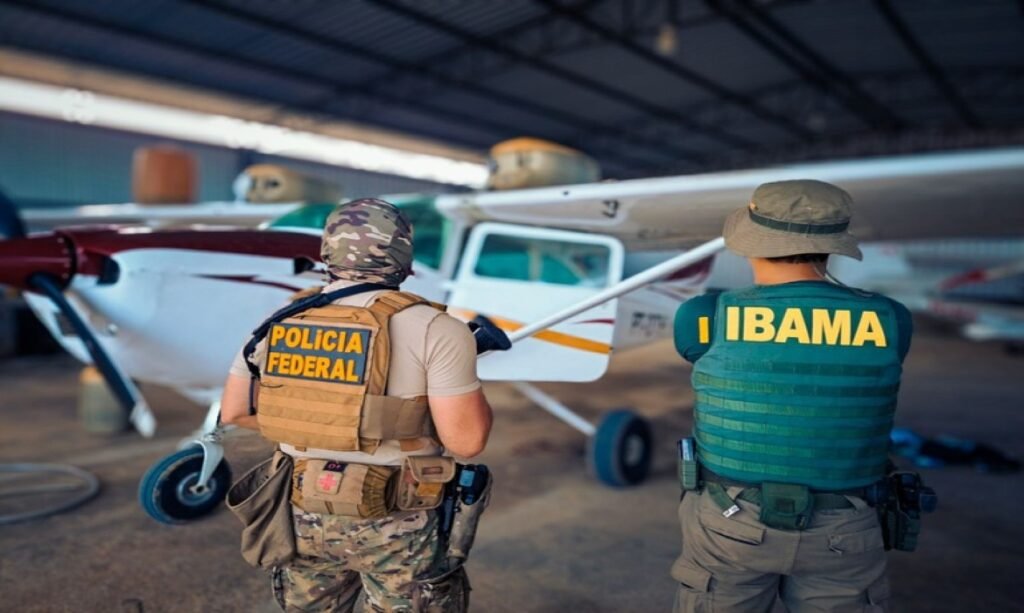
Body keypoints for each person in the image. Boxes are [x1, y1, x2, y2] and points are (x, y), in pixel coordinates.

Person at [220, 198, 495, 612]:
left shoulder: (277, 322)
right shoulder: (441, 330)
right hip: (398, 518)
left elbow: (236, 412)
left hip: (299, 510)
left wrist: (321, 422)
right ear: (402, 253)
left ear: (327, 252)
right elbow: (468, 441)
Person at [671, 180, 914, 612]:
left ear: (751, 243)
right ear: (831, 246)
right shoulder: (892, 319)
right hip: (847, 525)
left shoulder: (704, 316)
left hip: (731, 522)